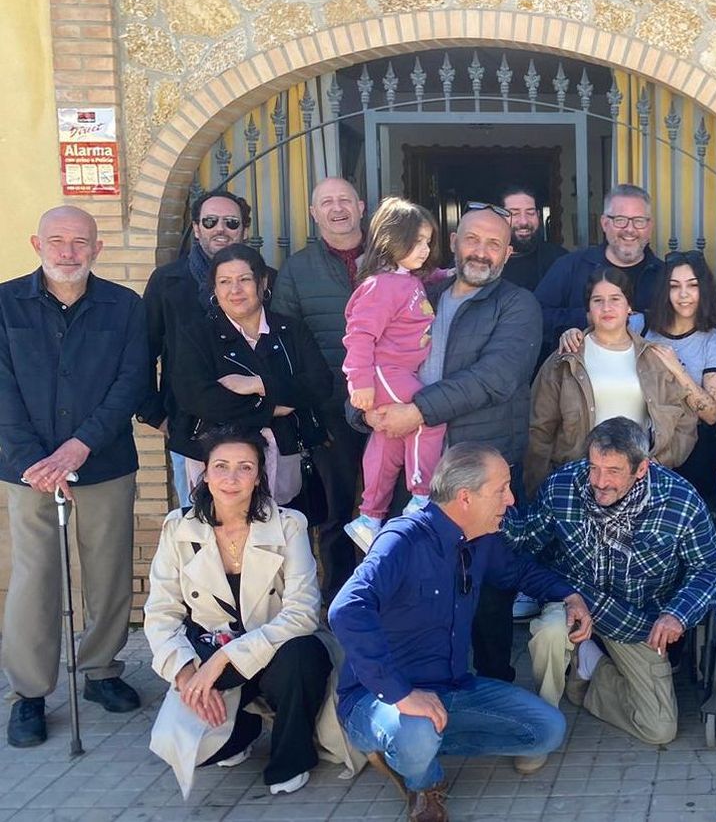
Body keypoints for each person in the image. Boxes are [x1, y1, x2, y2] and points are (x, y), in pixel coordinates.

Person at [330, 444, 578, 821]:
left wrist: (570, 594)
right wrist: (400, 693)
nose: (511, 500)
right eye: (501, 490)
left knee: (547, 730)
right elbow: (346, 609)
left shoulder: (481, 540)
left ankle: (409, 751)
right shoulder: (402, 539)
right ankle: (424, 780)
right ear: (465, 497)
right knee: (416, 729)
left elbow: (518, 572)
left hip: (451, 690)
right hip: (380, 701)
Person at [358, 206, 542, 685]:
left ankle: (496, 695)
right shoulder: (418, 290)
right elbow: (370, 350)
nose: (481, 250)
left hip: (480, 477)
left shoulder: (517, 305)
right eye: (473, 239)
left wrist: (415, 412)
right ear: (455, 240)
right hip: (417, 473)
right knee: (418, 592)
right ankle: (425, 696)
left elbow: (494, 378)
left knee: (487, 592)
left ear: (508, 252)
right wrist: (365, 410)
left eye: (494, 243)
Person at [1, 206, 147, 748]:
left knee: (108, 570)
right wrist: (35, 460)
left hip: (104, 460)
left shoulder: (125, 306)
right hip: (29, 469)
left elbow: (131, 382)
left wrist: (80, 445)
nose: (68, 252)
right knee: (35, 579)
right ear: (36, 243)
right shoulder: (4, 303)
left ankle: (101, 670)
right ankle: (30, 692)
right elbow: (2, 390)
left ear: (97, 248)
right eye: (57, 241)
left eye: (79, 242)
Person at [144, 427, 356, 798]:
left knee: (302, 654)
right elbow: (161, 613)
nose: (231, 477)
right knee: (197, 753)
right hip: (211, 653)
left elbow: (302, 613)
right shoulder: (177, 528)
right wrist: (185, 672)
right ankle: (240, 731)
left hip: (277, 654)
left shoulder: (289, 525)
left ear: (259, 475)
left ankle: (292, 755)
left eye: (245, 467)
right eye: (221, 466)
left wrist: (226, 658)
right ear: (204, 473)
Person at [512, 418, 716, 745]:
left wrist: (677, 615)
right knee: (549, 632)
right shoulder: (562, 485)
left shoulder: (679, 501)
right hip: (574, 597)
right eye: (594, 467)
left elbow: (711, 569)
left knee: (659, 728)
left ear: (642, 468)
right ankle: (540, 729)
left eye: (613, 471)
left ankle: (589, 665)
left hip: (635, 618)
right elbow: (527, 542)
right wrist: (495, 507)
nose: (599, 481)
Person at [167, 244, 338, 506]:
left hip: (285, 455)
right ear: (214, 288)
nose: (235, 290)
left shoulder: (290, 330)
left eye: (244, 279)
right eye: (225, 282)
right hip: (214, 463)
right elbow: (198, 399)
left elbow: (319, 384)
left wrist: (257, 384)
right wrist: (271, 407)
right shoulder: (196, 335)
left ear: (263, 282)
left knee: (281, 538)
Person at [273, 176, 369, 600]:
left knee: (397, 506)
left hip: (394, 406)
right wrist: (308, 407)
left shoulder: (390, 256)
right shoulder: (297, 269)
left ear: (361, 207)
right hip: (331, 409)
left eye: (344, 200)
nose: (337, 208)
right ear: (313, 213)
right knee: (336, 508)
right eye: (326, 202)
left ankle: (393, 595)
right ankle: (339, 596)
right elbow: (286, 342)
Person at [139, 188, 263, 509]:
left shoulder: (264, 281)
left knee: (258, 520)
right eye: (210, 221)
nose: (220, 229)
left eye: (230, 223)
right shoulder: (167, 282)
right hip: (190, 427)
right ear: (196, 228)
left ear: (244, 230)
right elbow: (142, 351)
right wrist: (157, 416)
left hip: (257, 423)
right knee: (198, 524)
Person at [525, 268, 698, 489]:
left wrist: (658, 462)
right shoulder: (565, 360)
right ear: (588, 309)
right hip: (578, 480)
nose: (606, 307)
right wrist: (538, 488)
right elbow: (540, 430)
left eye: (615, 299)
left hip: (638, 481)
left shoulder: (654, 358)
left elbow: (685, 420)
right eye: (598, 300)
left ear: (629, 307)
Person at [341, 198, 448, 551]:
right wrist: (360, 383)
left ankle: (370, 516)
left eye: (427, 241)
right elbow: (359, 334)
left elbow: (424, 279)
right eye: (416, 241)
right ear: (391, 239)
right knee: (428, 419)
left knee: (387, 444)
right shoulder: (381, 285)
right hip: (387, 371)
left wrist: (449, 274)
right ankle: (420, 496)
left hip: (397, 370)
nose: (424, 249)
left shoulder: (407, 279)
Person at [643, 250, 716, 502]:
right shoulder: (641, 328)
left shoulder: (713, 345)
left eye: (692, 286)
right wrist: (572, 332)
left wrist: (676, 368)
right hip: (642, 446)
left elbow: (712, 413)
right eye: (674, 286)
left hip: (691, 455)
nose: (683, 295)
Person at [535, 183, 663, 353]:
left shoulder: (665, 276)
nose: (630, 229)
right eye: (620, 220)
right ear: (604, 223)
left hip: (648, 375)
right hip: (579, 375)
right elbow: (534, 317)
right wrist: (588, 317)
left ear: (650, 226)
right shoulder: (570, 267)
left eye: (639, 221)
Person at [499, 185, 568, 294]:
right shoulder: (487, 260)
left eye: (530, 213)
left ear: (538, 215)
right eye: (514, 213)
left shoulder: (559, 259)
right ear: (499, 217)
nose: (524, 222)